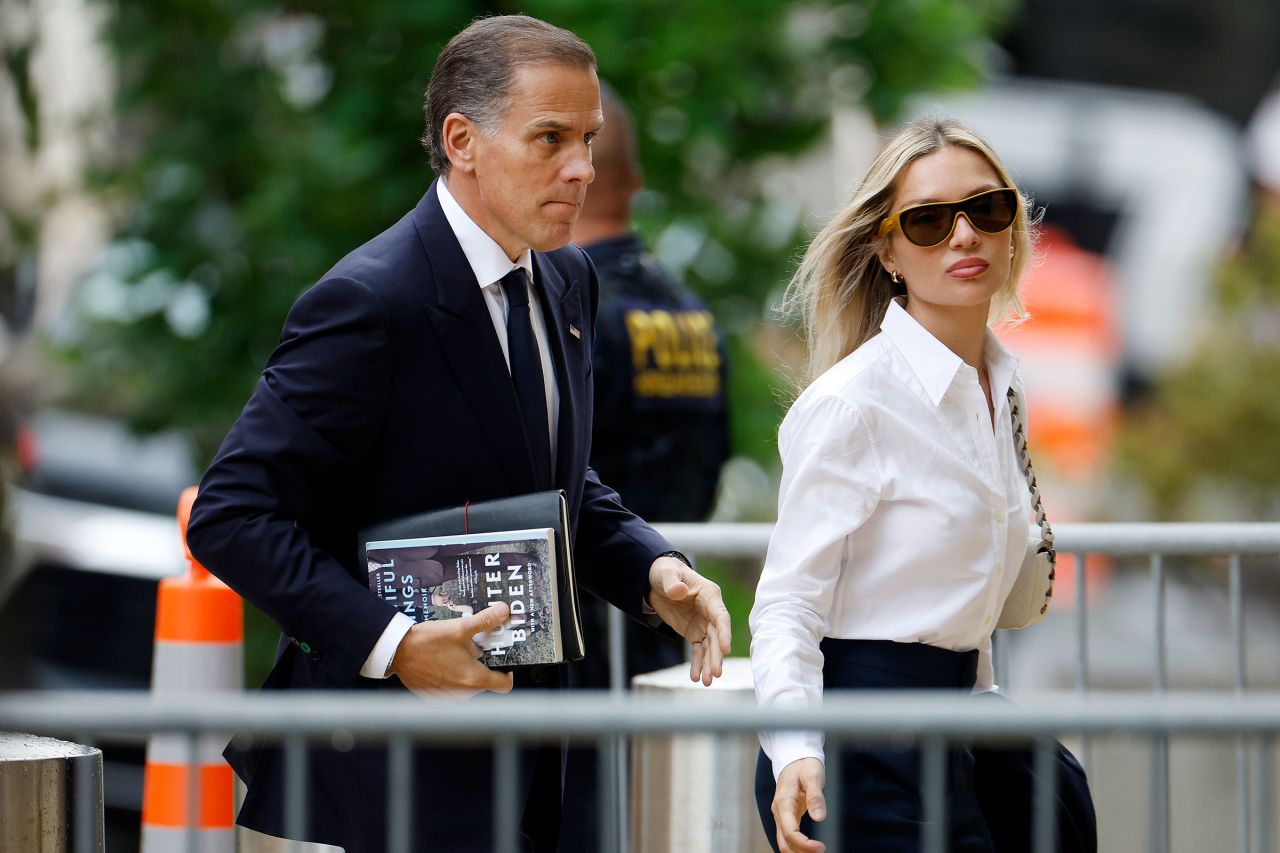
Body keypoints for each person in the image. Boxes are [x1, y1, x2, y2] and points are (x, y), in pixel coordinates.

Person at [186, 16, 732, 853]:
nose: (582, 167)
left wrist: (653, 567)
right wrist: (395, 644)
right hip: (382, 774)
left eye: (587, 138)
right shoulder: (371, 301)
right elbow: (230, 514)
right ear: (462, 140)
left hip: (527, 758)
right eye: (550, 138)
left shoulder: (567, 276)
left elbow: (556, 478)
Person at [749, 119, 1095, 853]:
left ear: (1012, 228)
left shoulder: (1001, 381)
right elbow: (786, 605)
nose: (964, 236)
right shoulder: (854, 403)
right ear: (889, 249)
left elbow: (964, 599)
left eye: (987, 209)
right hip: (862, 742)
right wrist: (795, 750)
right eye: (930, 221)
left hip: (961, 719)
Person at [561, 82, 732, 849]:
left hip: (579, 639)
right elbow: (715, 455)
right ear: (632, 181)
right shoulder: (690, 312)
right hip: (671, 620)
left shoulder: (571, 311)